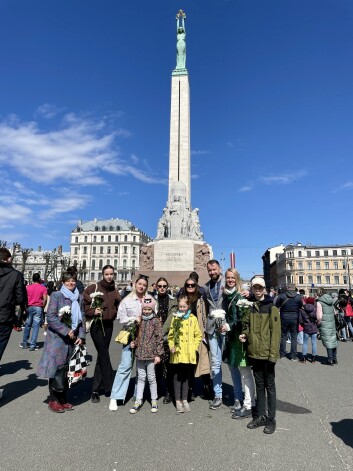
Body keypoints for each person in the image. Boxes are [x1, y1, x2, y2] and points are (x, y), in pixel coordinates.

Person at [37, 269, 85, 413]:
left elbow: (81, 317)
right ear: (63, 282)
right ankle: (53, 399)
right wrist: (66, 330)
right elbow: (51, 317)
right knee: (56, 368)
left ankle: (63, 398)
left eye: (73, 280)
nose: (71, 283)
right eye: (68, 281)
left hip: (72, 339)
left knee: (66, 369)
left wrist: (81, 336)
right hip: (57, 339)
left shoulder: (79, 297)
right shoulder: (57, 295)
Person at [239, 277, 281, 434]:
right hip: (254, 353)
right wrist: (245, 334)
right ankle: (261, 416)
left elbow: (276, 333)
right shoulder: (250, 306)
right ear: (252, 289)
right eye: (255, 287)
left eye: (260, 287)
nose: (257, 290)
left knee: (270, 386)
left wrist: (273, 356)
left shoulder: (271, 307)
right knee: (259, 385)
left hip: (267, 354)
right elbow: (246, 325)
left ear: (264, 289)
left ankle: (271, 419)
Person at [109, 275, 149, 411]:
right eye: (140, 284)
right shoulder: (126, 300)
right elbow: (121, 318)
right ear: (135, 284)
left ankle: (138, 395)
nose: (141, 286)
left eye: (144, 285)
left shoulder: (149, 300)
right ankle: (115, 396)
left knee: (141, 368)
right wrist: (134, 319)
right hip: (130, 335)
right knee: (125, 366)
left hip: (145, 337)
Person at [83, 265, 121, 403]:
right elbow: (85, 306)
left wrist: (115, 311)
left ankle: (95, 389)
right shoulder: (94, 288)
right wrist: (94, 311)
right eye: (107, 274)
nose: (109, 276)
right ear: (102, 275)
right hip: (97, 325)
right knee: (104, 352)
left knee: (102, 355)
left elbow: (120, 305)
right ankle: (110, 386)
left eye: (111, 274)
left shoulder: (115, 291)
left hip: (109, 325)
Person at [222, 268, 255, 419]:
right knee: (233, 369)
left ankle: (249, 404)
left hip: (240, 338)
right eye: (228, 277)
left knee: (245, 372)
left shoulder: (241, 295)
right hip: (230, 338)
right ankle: (238, 398)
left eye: (232, 278)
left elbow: (244, 318)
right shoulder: (225, 296)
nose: (230, 280)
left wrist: (230, 326)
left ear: (237, 279)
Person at [129, 296, 163, 414]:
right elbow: (136, 334)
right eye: (145, 309)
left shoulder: (155, 321)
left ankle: (154, 400)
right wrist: (134, 342)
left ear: (153, 309)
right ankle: (138, 400)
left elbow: (159, 338)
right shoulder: (139, 320)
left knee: (152, 377)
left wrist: (159, 354)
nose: (147, 311)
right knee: (141, 377)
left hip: (151, 354)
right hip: (140, 353)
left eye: (149, 309)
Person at [168, 296, 202, 413]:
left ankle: (185, 399)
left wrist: (193, 346)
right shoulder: (175, 318)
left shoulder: (193, 319)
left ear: (188, 306)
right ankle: (177, 400)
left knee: (187, 377)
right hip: (177, 352)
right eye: (180, 306)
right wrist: (171, 345)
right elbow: (171, 335)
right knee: (177, 376)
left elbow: (198, 335)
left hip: (188, 352)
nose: (182, 309)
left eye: (184, 306)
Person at [182, 277, 212, 400]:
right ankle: (189, 389)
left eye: (192, 285)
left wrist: (206, 332)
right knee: (189, 363)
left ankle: (207, 386)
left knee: (203, 361)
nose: (190, 287)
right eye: (188, 285)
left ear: (196, 286)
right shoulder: (182, 299)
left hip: (199, 334)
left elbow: (207, 315)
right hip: (186, 335)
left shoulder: (201, 299)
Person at [203, 259, 226, 409]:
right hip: (211, 327)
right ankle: (218, 395)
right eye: (210, 270)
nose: (212, 272)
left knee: (231, 362)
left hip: (226, 327)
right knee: (215, 363)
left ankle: (238, 396)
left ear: (219, 269)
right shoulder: (206, 287)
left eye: (214, 269)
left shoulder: (227, 282)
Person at [0, 248, 27, 364]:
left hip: (5, 314)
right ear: (9, 259)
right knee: (1, 342)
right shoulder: (16, 275)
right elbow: (20, 299)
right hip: (5, 315)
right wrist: (18, 319)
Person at [153, 277, 178, 403]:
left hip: (168, 336)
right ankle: (156, 390)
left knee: (168, 366)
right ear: (156, 287)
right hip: (155, 337)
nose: (162, 288)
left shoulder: (173, 301)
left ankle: (169, 391)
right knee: (156, 365)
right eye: (160, 286)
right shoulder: (151, 300)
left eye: (164, 286)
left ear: (167, 287)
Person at [20, 273, 47, 351]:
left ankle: (25, 343)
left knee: (27, 325)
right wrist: (43, 306)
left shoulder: (28, 287)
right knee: (36, 327)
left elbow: (24, 298)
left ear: (32, 279)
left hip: (29, 306)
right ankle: (32, 345)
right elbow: (45, 299)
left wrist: (25, 308)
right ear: (39, 279)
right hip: (38, 307)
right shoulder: (43, 288)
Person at [276, 284, 303, 360]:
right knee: (294, 337)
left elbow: (277, 305)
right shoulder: (298, 297)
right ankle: (293, 356)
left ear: (287, 288)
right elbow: (300, 306)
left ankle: (282, 354)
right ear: (294, 288)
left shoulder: (282, 296)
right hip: (295, 317)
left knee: (283, 336)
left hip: (284, 317)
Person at [316, 288, 338, 365]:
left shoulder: (319, 302)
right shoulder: (330, 300)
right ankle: (335, 359)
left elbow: (319, 316)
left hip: (325, 323)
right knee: (333, 340)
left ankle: (330, 360)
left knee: (328, 341)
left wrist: (318, 323)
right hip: (332, 322)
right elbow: (334, 311)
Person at [298, 297, 318, 363]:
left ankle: (304, 358)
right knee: (314, 343)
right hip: (314, 327)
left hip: (306, 327)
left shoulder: (302, 310)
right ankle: (313, 359)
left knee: (305, 343)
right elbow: (318, 317)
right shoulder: (315, 309)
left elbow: (300, 320)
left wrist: (303, 324)